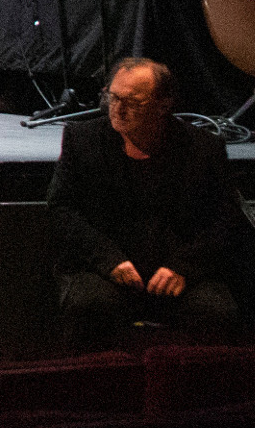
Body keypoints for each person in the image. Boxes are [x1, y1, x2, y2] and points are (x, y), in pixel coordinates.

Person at [49, 56, 241, 348]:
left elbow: (226, 217)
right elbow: (61, 208)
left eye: (133, 102)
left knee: (216, 311)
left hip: (175, 270)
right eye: (113, 97)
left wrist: (184, 266)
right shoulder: (83, 139)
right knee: (90, 304)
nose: (118, 108)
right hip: (104, 268)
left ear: (163, 105)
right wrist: (108, 260)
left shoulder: (203, 147)